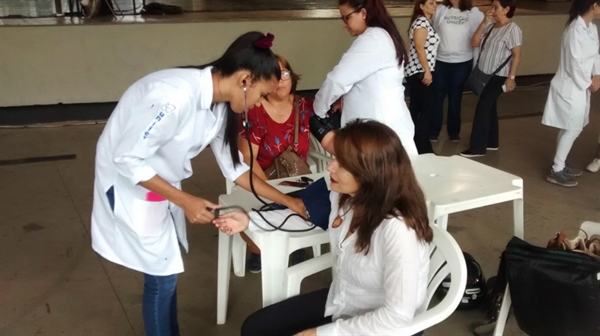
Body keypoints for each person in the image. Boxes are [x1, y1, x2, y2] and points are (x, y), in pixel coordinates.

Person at [90, 32, 307, 335]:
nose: (257, 104)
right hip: (132, 184)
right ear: (245, 81)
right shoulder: (174, 96)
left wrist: (289, 200)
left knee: (166, 268)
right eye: (260, 95)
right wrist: (184, 200)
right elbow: (126, 158)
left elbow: (236, 169)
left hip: (158, 180)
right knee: (161, 275)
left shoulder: (218, 104)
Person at [215, 120, 433, 336]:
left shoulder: (398, 229)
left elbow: (397, 316)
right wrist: (249, 219)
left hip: (383, 327)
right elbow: (307, 217)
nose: (330, 166)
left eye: (342, 163)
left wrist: (321, 333)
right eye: (335, 158)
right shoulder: (343, 195)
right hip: (344, 300)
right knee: (256, 328)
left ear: (370, 172)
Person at [238, 54, 336, 273]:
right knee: (252, 208)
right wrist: (271, 191)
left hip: (297, 179)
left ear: (292, 77)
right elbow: (248, 159)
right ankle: (257, 249)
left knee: (324, 199)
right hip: (259, 179)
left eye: (284, 73)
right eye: (273, 75)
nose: (280, 80)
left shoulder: (306, 107)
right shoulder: (254, 111)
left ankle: (295, 244)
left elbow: (329, 140)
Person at [312, 0, 419, 158]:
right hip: (387, 125)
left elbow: (337, 80)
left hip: (379, 131)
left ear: (363, 13)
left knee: (381, 178)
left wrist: (318, 110)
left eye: (346, 17)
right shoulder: (381, 36)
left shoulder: (373, 40)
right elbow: (364, 80)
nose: (344, 24)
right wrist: (343, 99)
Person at [542, 0, 600, 186]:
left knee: (570, 126)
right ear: (594, 5)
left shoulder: (591, 28)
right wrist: (588, 83)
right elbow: (574, 63)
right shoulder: (574, 30)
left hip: (582, 86)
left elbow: (595, 56)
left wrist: (597, 75)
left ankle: (561, 162)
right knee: (573, 127)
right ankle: (556, 170)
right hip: (571, 86)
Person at [460, 0, 522, 157]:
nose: (492, 10)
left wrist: (511, 77)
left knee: (483, 108)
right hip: (484, 73)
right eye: (492, 6)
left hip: (498, 77)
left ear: (507, 9)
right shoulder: (491, 26)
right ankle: (492, 141)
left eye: (496, 7)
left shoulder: (513, 29)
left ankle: (477, 147)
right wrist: (484, 22)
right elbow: (474, 42)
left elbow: (517, 55)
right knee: (490, 107)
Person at [431, 0, 483, 143]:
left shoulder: (473, 13)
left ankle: (454, 132)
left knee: (455, 98)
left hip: (462, 62)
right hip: (440, 61)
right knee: (437, 97)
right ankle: (434, 131)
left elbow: (484, 29)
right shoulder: (440, 10)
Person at [406, 0, 439, 154]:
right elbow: (420, 48)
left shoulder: (426, 22)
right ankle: (423, 146)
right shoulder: (421, 23)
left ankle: (413, 143)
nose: (435, 5)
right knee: (426, 110)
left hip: (419, 72)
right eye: (431, 3)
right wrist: (427, 70)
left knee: (417, 109)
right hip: (419, 73)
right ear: (421, 5)